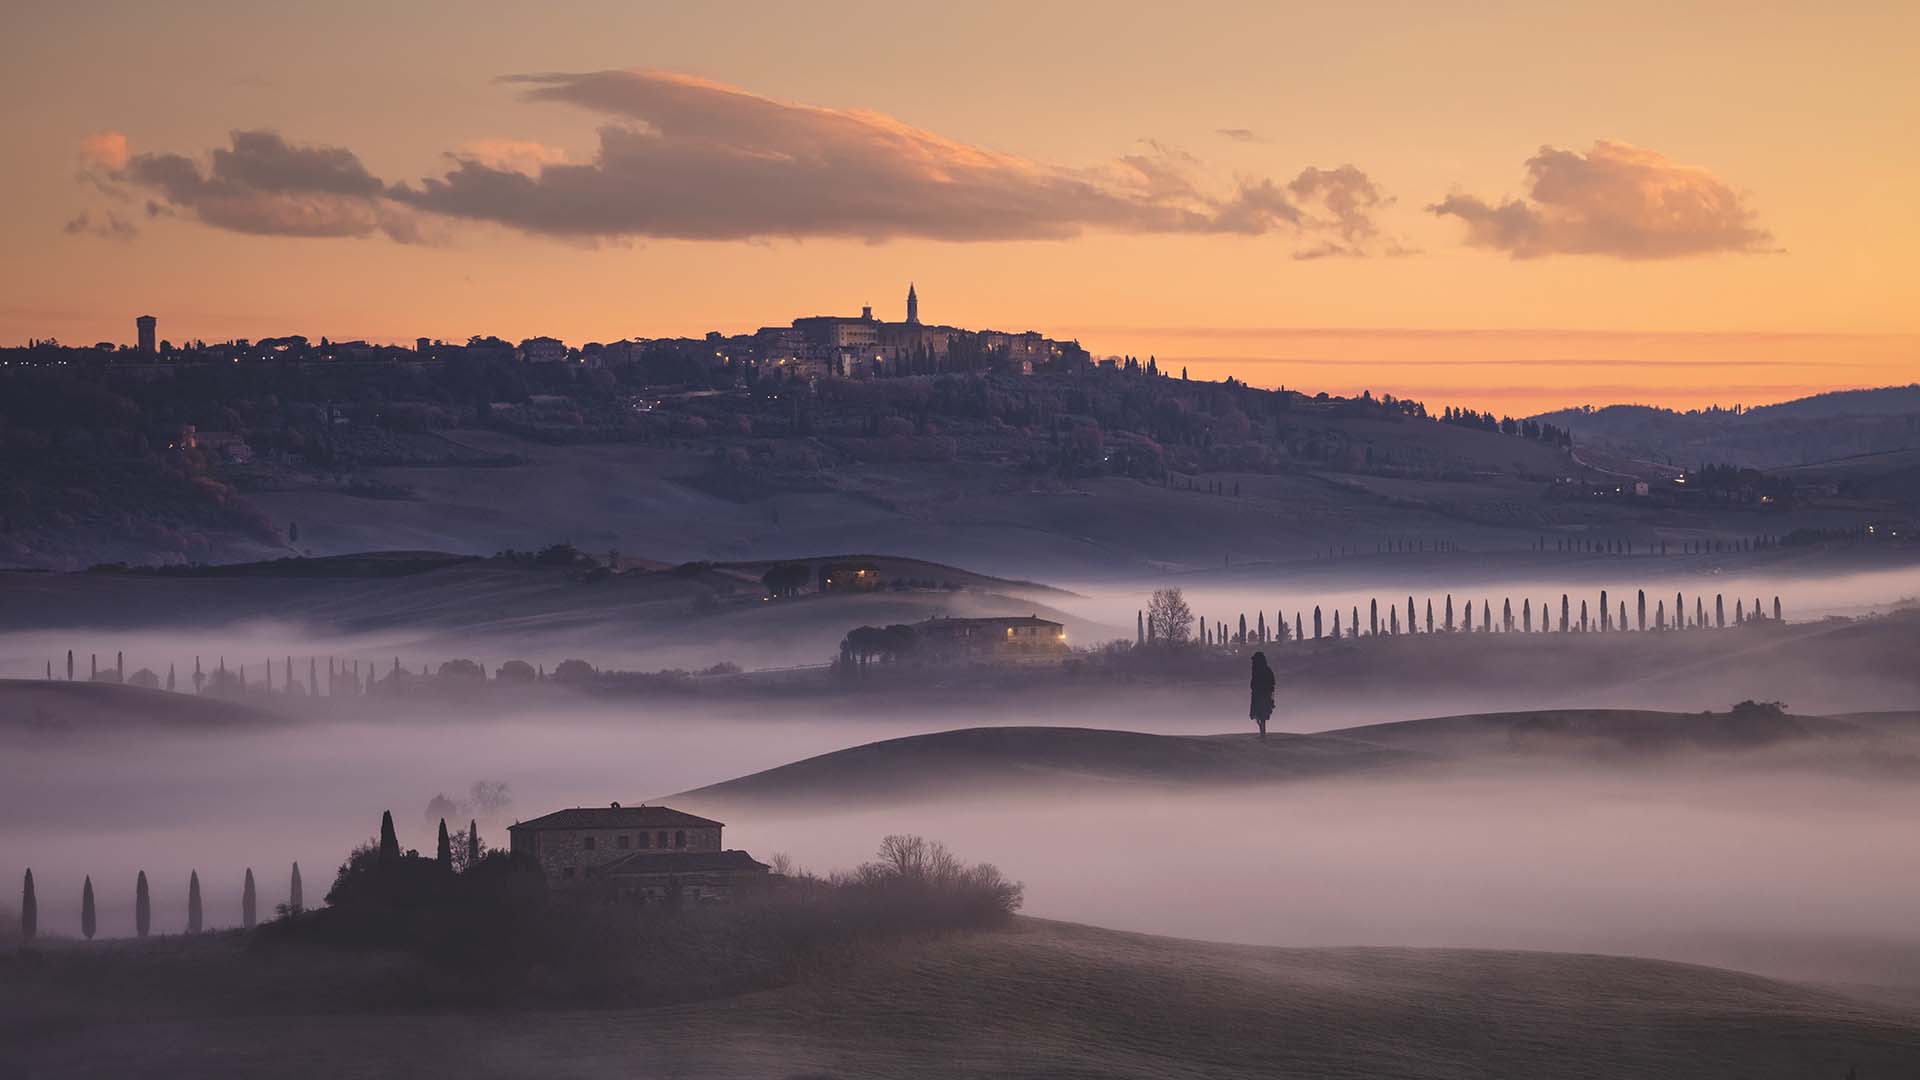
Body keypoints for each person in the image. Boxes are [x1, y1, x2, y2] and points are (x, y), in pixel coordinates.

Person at [1249, 651, 1275, 738]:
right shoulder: (1260, 670)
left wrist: (1270, 697)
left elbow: (1271, 685)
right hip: (1260, 696)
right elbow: (1272, 684)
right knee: (1260, 716)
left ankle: (1262, 733)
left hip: (1261, 696)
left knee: (1261, 715)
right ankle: (1262, 732)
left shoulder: (1259, 671)